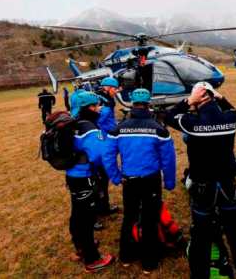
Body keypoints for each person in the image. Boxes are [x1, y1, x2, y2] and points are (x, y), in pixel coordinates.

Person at [165, 82, 236, 279]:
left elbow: (167, 116)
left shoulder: (192, 123)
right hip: (227, 184)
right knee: (235, 237)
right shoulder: (231, 119)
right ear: (213, 97)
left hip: (203, 186)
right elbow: (234, 111)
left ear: (199, 99)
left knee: (201, 237)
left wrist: (189, 100)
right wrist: (220, 98)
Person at [102, 88, 176, 275]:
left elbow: (108, 155)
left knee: (130, 217)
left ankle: (126, 257)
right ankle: (149, 263)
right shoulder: (159, 129)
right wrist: (169, 181)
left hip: (129, 181)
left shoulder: (118, 128)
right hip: (150, 180)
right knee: (150, 220)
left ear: (131, 103)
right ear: (149, 104)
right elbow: (168, 158)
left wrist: (116, 176)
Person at [66, 91, 115, 273]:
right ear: (86, 108)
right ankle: (92, 259)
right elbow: (99, 156)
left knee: (77, 213)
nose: (97, 108)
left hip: (72, 176)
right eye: (94, 106)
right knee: (86, 219)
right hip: (85, 177)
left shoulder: (73, 123)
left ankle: (80, 248)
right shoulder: (90, 129)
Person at [94, 77, 121, 218]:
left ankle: (104, 207)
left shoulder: (103, 100)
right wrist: (115, 129)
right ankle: (98, 211)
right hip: (101, 142)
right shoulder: (103, 104)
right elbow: (100, 123)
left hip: (103, 139)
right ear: (108, 88)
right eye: (114, 89)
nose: (116, 91)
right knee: (100, 178)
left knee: (102, 178)